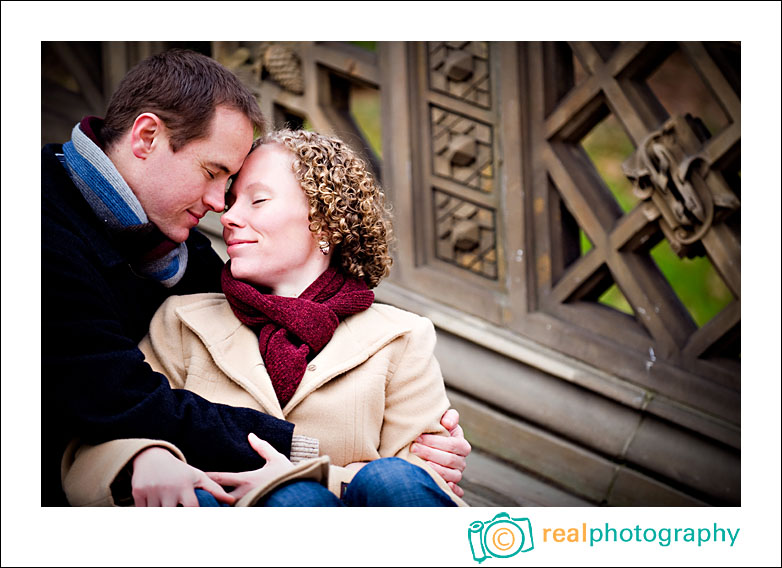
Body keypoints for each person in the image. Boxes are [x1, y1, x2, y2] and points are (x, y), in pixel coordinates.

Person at [42, 49, 470, 506]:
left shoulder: (173, 254)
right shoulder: (42, 233)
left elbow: (423, 471)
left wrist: (434, 454)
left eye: (252, 197)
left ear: (324, 222)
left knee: (393, 483)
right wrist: (143, 455)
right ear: (146, 136)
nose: (222, 208)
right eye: (213, 174)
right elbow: (116, 399)